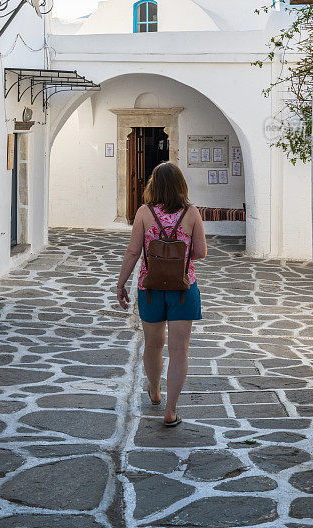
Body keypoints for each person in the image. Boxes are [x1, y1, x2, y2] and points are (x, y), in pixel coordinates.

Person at [116, 161, 207, 426]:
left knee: (153, 345)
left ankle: (154, 392)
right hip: (183, 288)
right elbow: (200, 253)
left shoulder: (144, 212)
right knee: (179, 350)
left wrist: (121, 284)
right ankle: (171, 409)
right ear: (181, 185)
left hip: (150, 288)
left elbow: (133, 251)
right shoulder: (191, 213)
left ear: (153, 185)